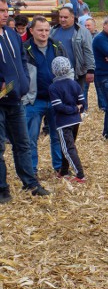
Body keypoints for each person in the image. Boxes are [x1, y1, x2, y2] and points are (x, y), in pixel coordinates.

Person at [0, 1, 50, 200]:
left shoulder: (12, 34)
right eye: (1, 11)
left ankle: (30, 183)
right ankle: (2, 189)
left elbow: (22, 59)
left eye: (6, 10)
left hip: (16, 99)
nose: (5, 14)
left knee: (23, 143)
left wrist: (25, 81)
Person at [22, 16, 66, 176]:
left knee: (57, 136)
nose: (44, 33)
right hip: (34, 101)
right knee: (30, 139)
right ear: (31, 30)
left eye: (47, 30)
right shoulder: (24, 49)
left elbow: (67, 70)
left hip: (56, 101)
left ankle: (59, 167)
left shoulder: (57, 47)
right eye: (40, 30)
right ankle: (31, 170)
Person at [50, 4, 95, 112]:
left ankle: (74, 122)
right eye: (61, 17)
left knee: (75, 100)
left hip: (76, 72)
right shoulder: (53, 30)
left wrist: (90, 70)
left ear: (72, 17)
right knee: (58, 100)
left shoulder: (82, 31)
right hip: (56, 74)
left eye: (65, 17)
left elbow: (88, 51)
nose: (62, 19)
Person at [48, 56, 86, 182]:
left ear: (54, 70)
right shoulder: (74, 84)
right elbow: (82, 102)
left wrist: (72, 110)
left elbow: (58, 106)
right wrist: (76, 110)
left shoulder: (53, 87)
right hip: (76, 120)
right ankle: (64, 171)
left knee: (67, 148)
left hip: (63, 122)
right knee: (68, 145)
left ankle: (80, 175)